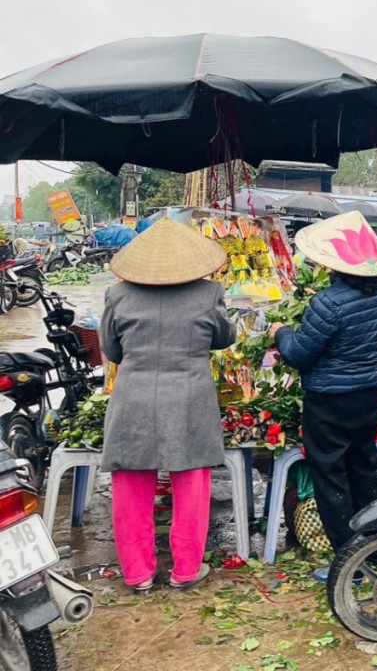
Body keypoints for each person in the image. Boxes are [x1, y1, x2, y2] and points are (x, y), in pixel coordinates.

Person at [99, 218, 235, 594]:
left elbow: (112, 351)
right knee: (191, 482)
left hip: (133, 397)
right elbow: (224, 337)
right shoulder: (209, 293)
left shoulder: (117, 295)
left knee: (130, 484)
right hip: (189, 398)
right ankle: (185, 571)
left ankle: (138, 574)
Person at [269, 212, 377, 579]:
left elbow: (298, 354)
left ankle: (348, 564)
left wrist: (281, 332)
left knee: (331, 476)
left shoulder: (328, 303)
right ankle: (373, 550)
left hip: (329, 399)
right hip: (369, 393)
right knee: (364, 466)